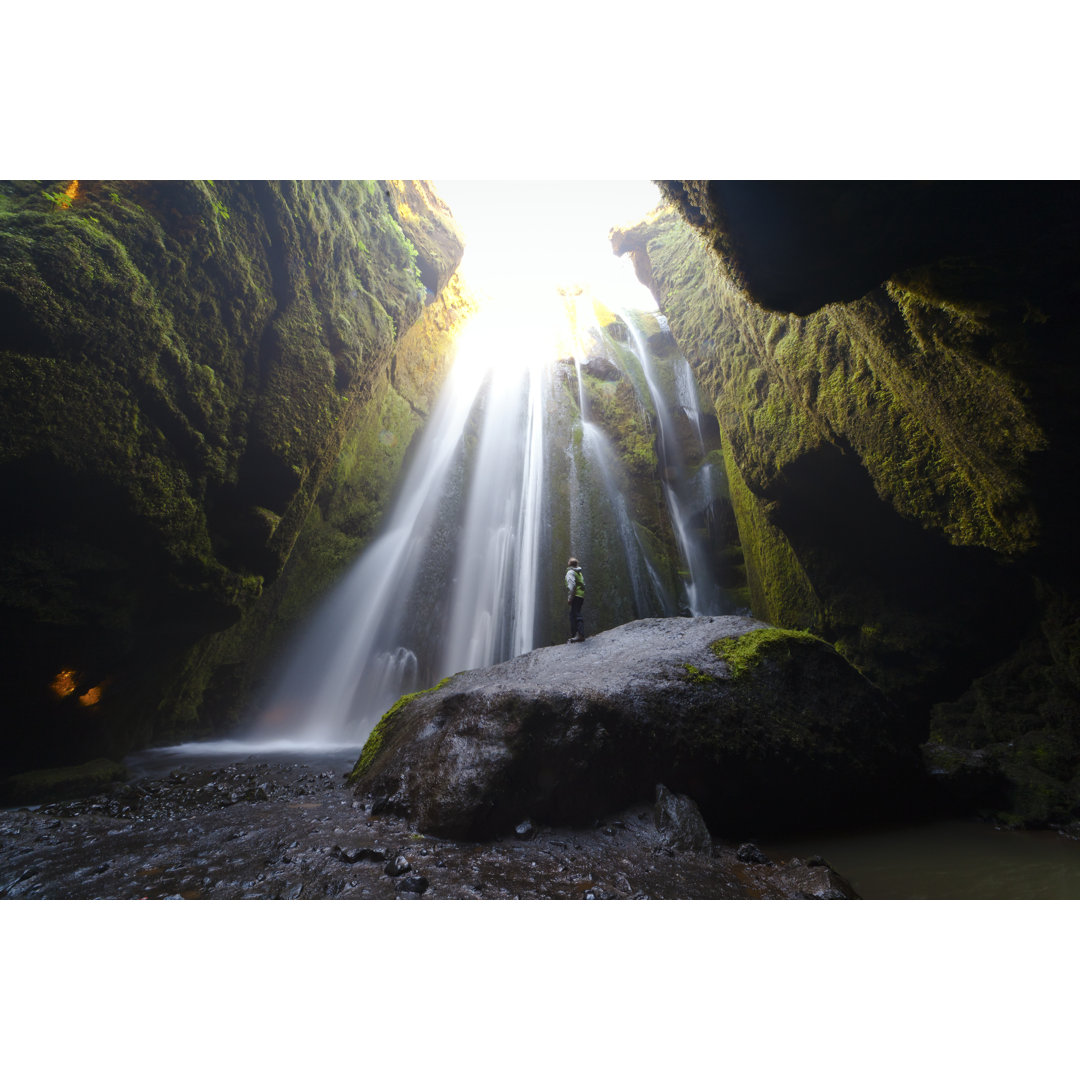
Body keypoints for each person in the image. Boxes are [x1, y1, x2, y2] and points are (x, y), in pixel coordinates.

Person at [565, 557, 585, 643]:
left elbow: (571, 586)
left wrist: (570, 598)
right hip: (581, 596)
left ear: (569, 564)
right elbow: (584, 584)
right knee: (574, 614)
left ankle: (579, 634)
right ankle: (576, 634)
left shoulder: (570, 572)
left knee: (575, 615)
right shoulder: (579, 573)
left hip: (575, 596)